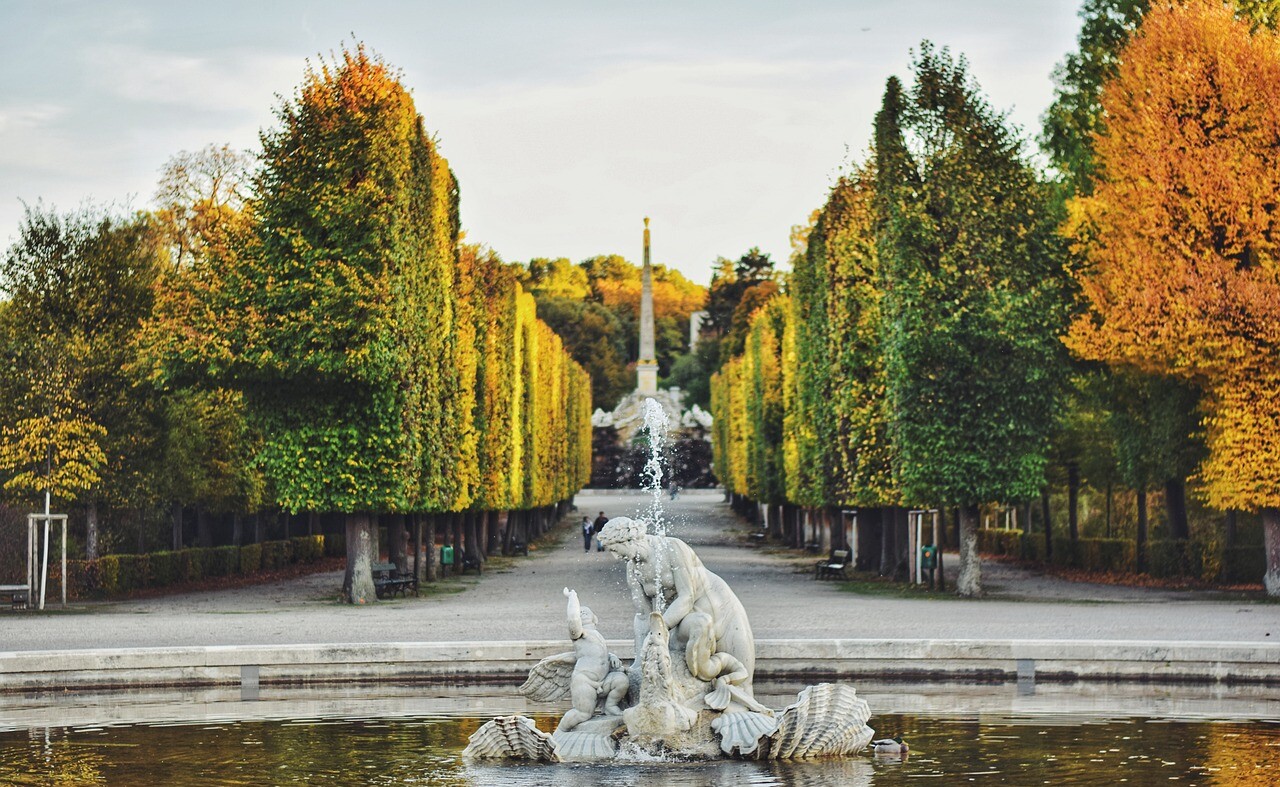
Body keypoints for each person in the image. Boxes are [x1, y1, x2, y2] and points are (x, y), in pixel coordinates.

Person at [598, 516, 756, 694]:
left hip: (720, 609)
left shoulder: (672, 548)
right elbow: (643, 615)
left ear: (628, 540)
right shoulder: (633, 569)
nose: (615, 556)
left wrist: (659, 629)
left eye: (614, 549)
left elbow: (686, 597)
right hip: (682, 619)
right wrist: (639, 661)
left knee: (743, 684)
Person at [557, 588, 629, 733]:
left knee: (622, 680)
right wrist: (573, 598)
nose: (581, 612)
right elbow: (573, 619)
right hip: (585, 681)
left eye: (585, 611)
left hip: (604, 681)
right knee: (583, 714)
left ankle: (610, 706)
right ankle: (559, 733)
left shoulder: (597, 635)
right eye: (579, 611)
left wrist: (612, 657)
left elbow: (599, 654)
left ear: (595, 618)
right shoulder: (579, 635)